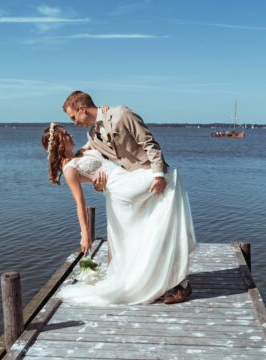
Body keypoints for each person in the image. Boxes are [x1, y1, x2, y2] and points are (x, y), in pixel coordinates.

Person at [40, 91, 195, 305]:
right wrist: (96, 192)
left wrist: (159, 174)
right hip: (123, 190)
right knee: (143, 236)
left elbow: (147, 142)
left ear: (82, 109)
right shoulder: (89, 139)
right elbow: (84, 187)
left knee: (155, 231)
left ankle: (172, 282)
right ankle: (157, 282)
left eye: (73, 117)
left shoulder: (119, 116)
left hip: (138, 180)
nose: (74, 124)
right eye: (68, 128)